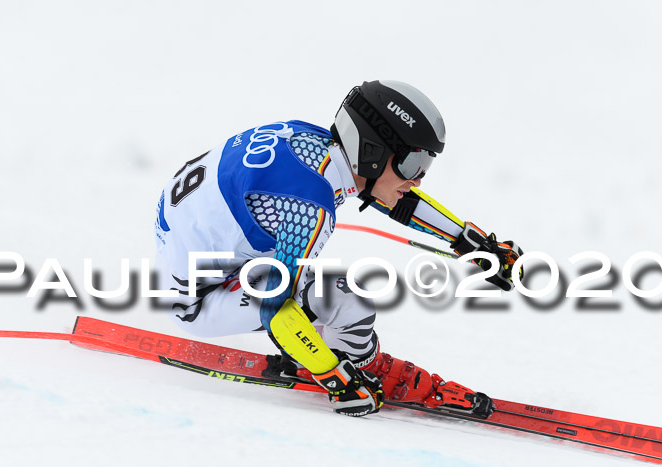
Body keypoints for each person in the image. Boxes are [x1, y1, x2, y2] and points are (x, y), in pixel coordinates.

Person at [153, 80, 524, 418]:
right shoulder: (310, 208)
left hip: (192, 254)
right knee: (348, 299)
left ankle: (338, 351)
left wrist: (470, 241)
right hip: (197, 301)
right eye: (413, 162)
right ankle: (364, 364)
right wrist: (336, 380)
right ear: (373, 151)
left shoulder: (314, 146)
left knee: (315, 284)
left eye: (425, 165)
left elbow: (391, 198)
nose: (417, 179)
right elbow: (275, 312)